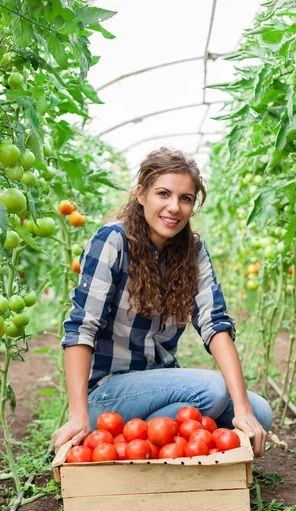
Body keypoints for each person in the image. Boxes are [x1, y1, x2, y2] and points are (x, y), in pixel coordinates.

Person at [52, 148, 272, 456]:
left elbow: (215, 323)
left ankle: (138, 440)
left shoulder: (192, 251)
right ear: (141, 194)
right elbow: (80, 328)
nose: (174, 207)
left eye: (185, 198)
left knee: (260, 412)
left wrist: (244, 410)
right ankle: (107, 432)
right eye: (164, 194)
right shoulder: (112, 241)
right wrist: (77, 414)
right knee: (212, 391)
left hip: (155, 386)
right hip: (107, 392)